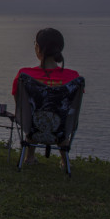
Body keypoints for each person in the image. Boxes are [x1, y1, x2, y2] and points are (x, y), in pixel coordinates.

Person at [11, 27, 80, 167]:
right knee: (60, 116)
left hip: (32, 127)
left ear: (38, 47)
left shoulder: (25, 75)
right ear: (60, 48)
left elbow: (19, 103)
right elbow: (74, 107)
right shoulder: (73, 77)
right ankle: (64, 161)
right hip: (61, 129)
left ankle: (29, 158)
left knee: (34, 115)